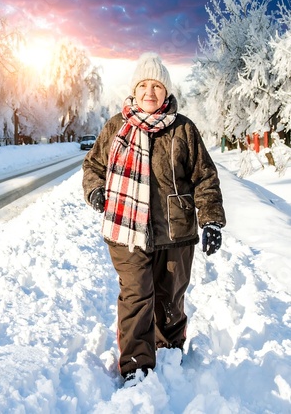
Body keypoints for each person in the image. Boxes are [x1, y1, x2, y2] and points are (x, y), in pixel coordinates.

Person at [82, 52, 226, 385]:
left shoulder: (183, 129)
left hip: (175, 232)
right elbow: (93, 166)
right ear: (135, 90)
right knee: (136, 296)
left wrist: (212, 219)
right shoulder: (117, 127)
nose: (150, 92)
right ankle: (136, 366)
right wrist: (95, 191)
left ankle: (170, 351)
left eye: (157, 86)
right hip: (125, 228)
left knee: (170, 299)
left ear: (166, 92)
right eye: (144, 85)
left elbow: (205, 176)